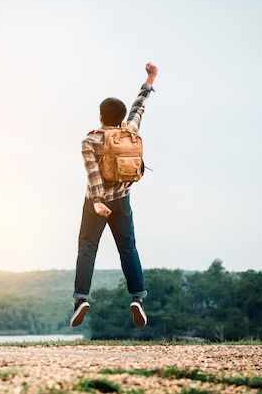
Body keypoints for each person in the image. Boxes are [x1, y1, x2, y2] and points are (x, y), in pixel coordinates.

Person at [71, 62, 158, 328]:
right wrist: (150, 77)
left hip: (95, 203)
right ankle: (137, 299)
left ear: (100, 117)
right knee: (128, 248)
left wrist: (97, 201)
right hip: (122, 201)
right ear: (120, 118)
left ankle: (81, 299)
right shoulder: (129, 132)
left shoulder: (90, 140)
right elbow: (139, 106)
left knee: (87, 249)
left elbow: (92, 174)